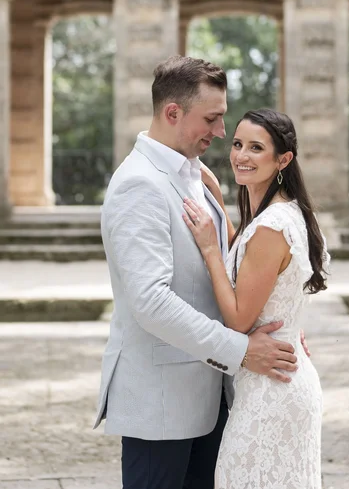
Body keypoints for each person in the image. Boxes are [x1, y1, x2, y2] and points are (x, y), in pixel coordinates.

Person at [94, 56, 302, 489]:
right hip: (162, 403)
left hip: (209, 397)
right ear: (173, 113)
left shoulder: (195, 174)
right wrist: (242, 350)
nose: (222, 132)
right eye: (213, 118)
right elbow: (151, 303)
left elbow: (228, 266)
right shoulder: (139, 184)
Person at [182, 107, 329, 488]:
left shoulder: (271, 225)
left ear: (283, 159)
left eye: (256, 148)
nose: (241, 156)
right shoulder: (282, 212)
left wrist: (209, 250)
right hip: (281, 379)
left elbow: (239, 320)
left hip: (272, 392)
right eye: (237, 144)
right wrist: (215, 194)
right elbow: (247, 261)